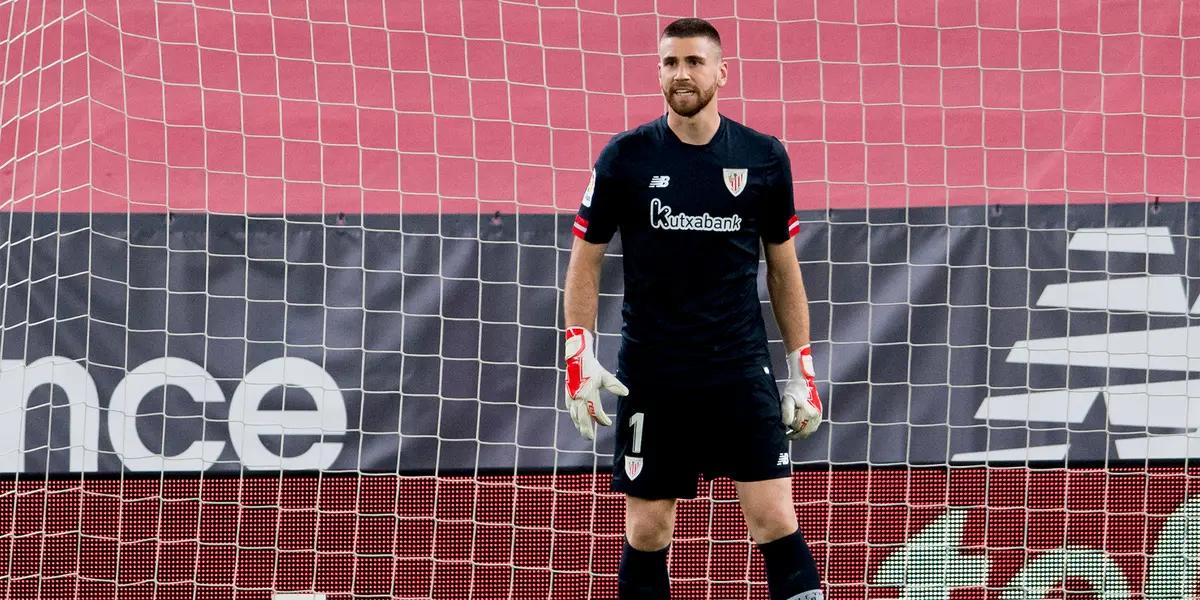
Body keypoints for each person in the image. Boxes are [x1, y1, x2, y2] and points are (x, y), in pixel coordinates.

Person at [561, 17, 825, 600]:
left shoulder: (763, 157)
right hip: (654, 372)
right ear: (658, 72)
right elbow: (585, 261)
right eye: (670, 63)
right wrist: (578, 357)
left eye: (694, 62)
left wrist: (802, 371)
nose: (681, 74)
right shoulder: (625, 158)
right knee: (648, 530)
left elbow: (783, 269)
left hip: (738, 367)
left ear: (721, 73)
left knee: (775, 520)